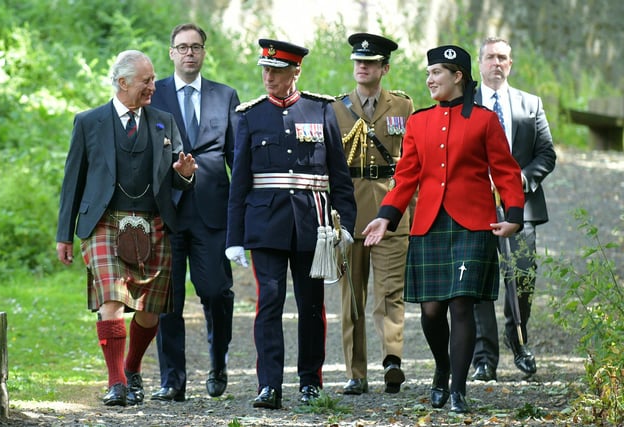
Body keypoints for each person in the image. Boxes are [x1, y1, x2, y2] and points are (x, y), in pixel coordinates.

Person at [362, 45, 525, 413]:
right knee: (432, 312)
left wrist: (513, 213)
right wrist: (386, 215)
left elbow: (505, 171)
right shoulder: (419, 122)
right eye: (428, 73)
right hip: (430, 225)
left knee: (462, 305)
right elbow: (406, 178)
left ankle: (458, 389)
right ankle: (443, 367)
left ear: (458, 76)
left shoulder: (484, 120)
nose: (430, 79)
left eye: (437, 72)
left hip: (472, 225)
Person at [55, 50, 196, 407]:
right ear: (122, 83)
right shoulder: (89, 122)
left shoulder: (164, 121)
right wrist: (64, 234)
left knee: (150, 311)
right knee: (113, 299)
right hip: (103, 222)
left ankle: (132, 368)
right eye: (146, 81)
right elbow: (73, 181)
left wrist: (184, 175)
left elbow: (178, 177)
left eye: (152, 79)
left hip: (153, 222)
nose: (153, 86)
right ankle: (116, 382)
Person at [225, 39, 357, 409]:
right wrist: (234, 237)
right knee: (269, 302)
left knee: (311, 305)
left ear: (295, 71)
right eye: (265, 70)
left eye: (277, 71)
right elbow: (240, 183)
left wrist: (343, 226)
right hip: (265, 224)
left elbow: (339, 177)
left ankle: (309, 381)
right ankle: (269, 385)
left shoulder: (321, 110)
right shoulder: (249, 115)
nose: (268, 77)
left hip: (311, 224)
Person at [149, 23, 240, 402]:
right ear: (171, 53)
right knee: (167, 298)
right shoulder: (154, 96)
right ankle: (173, 379)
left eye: (196, 47)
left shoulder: (225, 96)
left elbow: (238, 159)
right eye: (182, 47)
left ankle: (218, 362)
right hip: (166, 212)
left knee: (216, 292)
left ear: (204, 53)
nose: (189, 54)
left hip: (212, 213)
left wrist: (244, 215)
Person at [331, 33, 414, 395]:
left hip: (391, 211)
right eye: (357, 62)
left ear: (384, 68)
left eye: (370, 62)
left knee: (390, 292)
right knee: (352, 298)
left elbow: (413, 161)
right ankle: (356, 372)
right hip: (349, 214)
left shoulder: (403, 107)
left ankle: (392, 359)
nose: (362, 67)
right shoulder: (334, 109)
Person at [471, 37, 556, 382]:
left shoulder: (530, 104)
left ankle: (518, 339)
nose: (496, 63)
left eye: (503, 58)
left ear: (511, 64)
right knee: (478, 282)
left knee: (521, 276)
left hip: (521, 205)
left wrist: (519, 180)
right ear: (480, 63)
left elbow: (546, 154)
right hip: (476, 207)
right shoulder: (465, 104)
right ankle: (484, 358)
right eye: (490, 57)